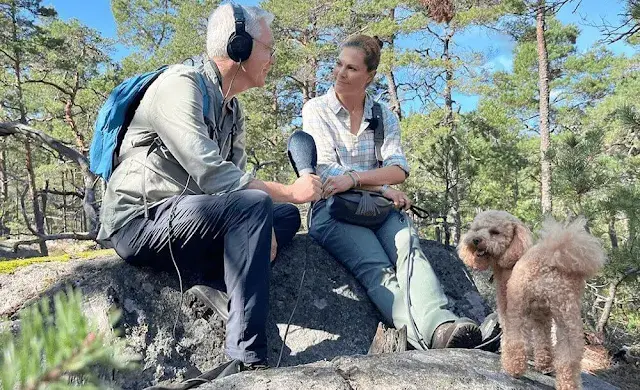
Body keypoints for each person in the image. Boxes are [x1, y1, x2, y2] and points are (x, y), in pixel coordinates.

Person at [96, 3, 322, 374]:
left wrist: (269, 213)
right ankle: (246, 359)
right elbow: (214, 176)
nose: (273, 58)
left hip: (188, 221)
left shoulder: (232, 109)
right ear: (239, 46)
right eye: (269, 48)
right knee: (257, 207)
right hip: (142, 220)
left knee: (280, 216)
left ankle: (217, 283)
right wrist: (291, 191)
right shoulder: (179, 85)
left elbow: (234, 181)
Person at [299, 34, 489, 350]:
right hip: (333, 210)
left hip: (376, 206)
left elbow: (399, 169)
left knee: (410, 249)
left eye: (351, 68)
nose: (340, 73)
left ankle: (442, 324)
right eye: (338, 64)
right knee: (378, 269)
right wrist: (383, 186)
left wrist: (367, 183)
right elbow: (328, 173)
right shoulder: (316, 109)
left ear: (369, 76)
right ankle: (428, 338)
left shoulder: (383, 116)